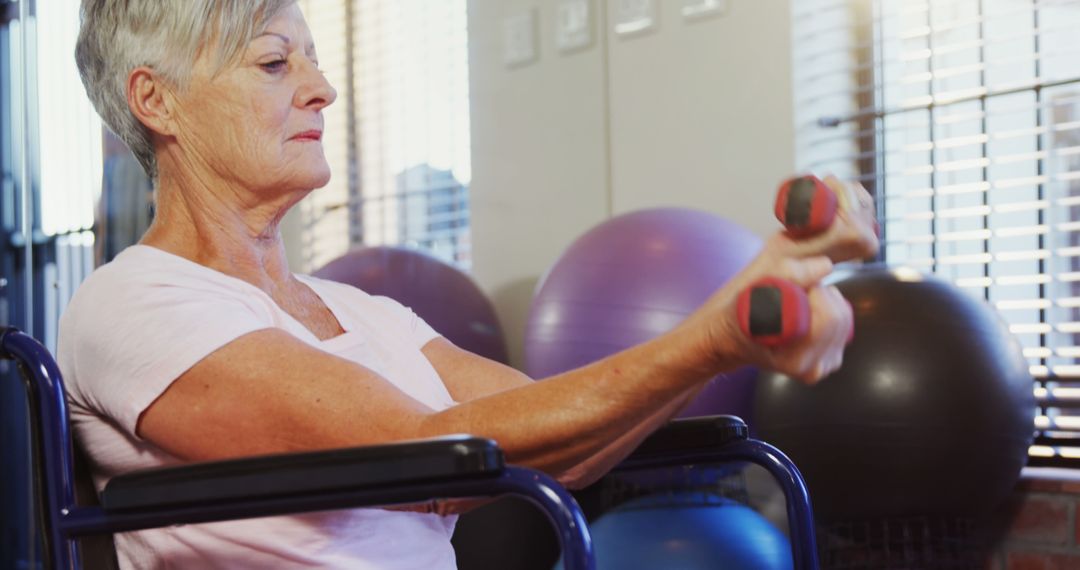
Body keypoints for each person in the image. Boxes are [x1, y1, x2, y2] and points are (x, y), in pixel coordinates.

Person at [60, 1, 879, 568]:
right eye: (275, 62)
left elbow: (557, 442)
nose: (322, 88)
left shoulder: (358, 309)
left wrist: (743, 321)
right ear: (156, 100)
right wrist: (719, 333)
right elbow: (417, 461)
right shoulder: (132, 303)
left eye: (311, 59)